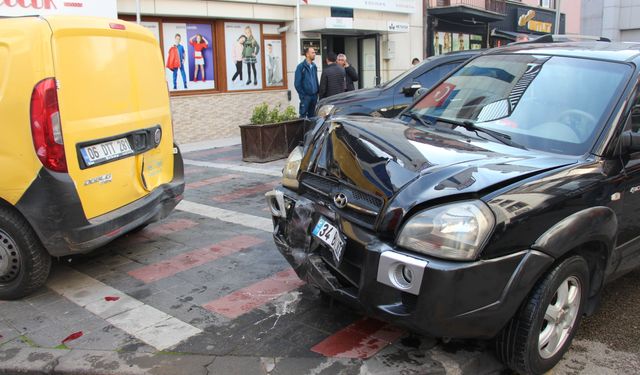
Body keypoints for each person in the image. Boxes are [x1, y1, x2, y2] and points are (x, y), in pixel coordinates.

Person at [294, 47, 319, 118]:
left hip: (314, 96)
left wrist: (317, 92)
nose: (314, 54)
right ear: (307, 54)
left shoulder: (314, 66)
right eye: (313, 53)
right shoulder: (300, 67)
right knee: (303, 116)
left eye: (314, 52)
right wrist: (303, 96)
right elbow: (297, 84)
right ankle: (303, 129)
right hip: (306, 97)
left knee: (313, 117)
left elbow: (316, 80)